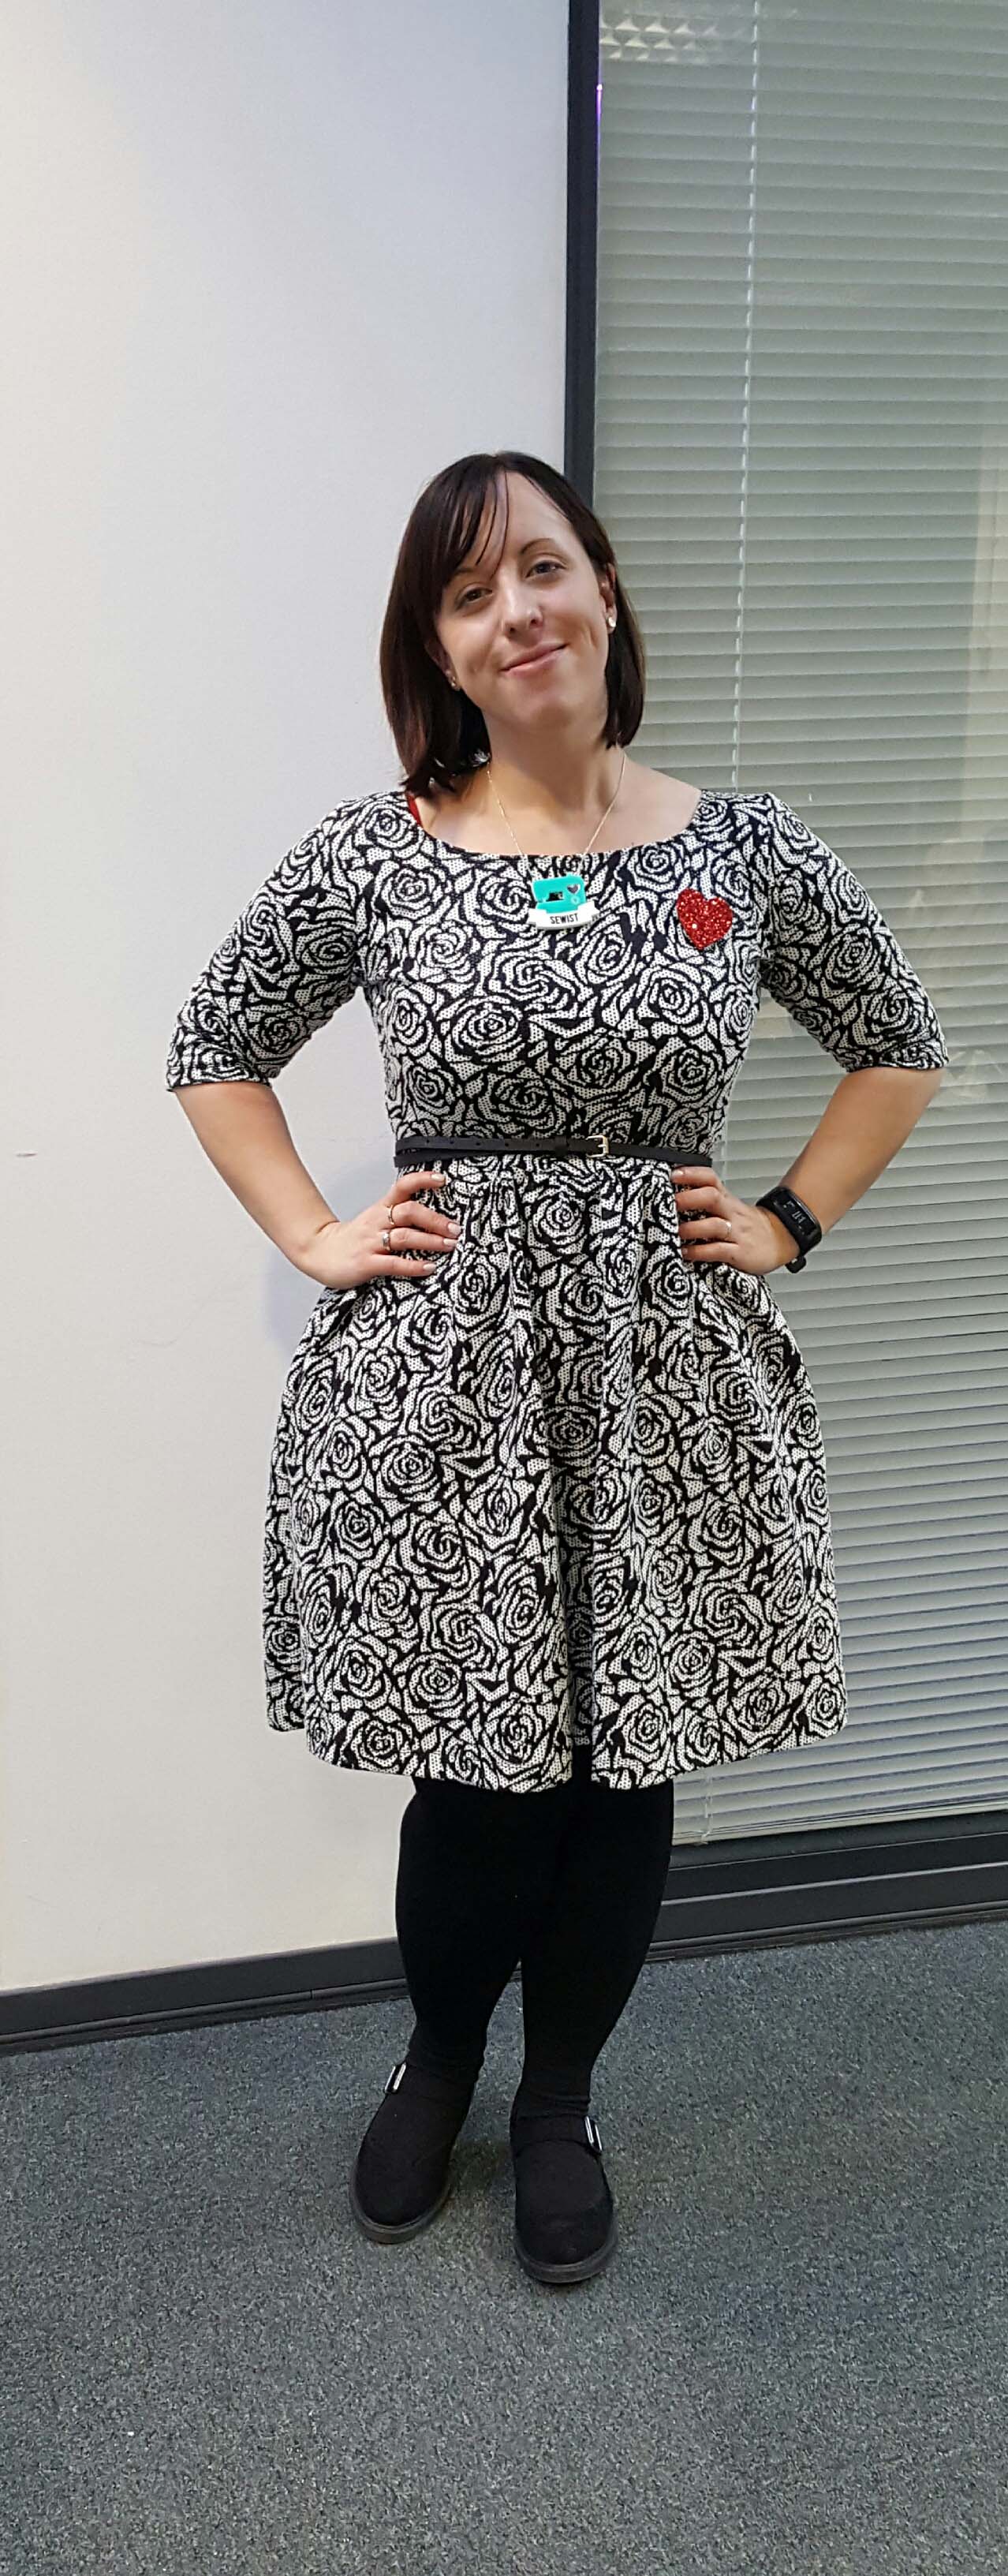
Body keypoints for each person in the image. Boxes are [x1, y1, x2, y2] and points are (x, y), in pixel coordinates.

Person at [165, 450, 950, 2289]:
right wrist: (313, 1232)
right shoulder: (375, 853)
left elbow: (898, 1038)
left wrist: (790, 1215)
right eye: (467, 594)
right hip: (447, 1393)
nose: (512, 611)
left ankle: (560, 2100)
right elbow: (215, 1044)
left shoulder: (744, 852)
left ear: (603, 588)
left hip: (668, 1385)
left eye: (537, 567)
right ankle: (441, 2057)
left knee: (622, 1768)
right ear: (439, 650)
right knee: (476, 1775)